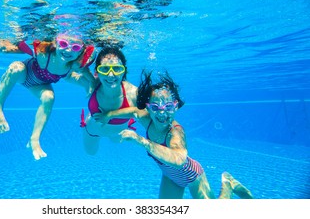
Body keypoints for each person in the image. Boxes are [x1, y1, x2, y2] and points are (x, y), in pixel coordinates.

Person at [93, 70, 253, 199]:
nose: (162, 113)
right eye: (156, 107)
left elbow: (179, 159)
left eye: (168, 107)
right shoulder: (146, 119)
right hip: (169, 176)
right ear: (148, 108)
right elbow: (133, 111)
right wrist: (109, 115)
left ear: (176, 107)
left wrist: (141, 141)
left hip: (192, 176)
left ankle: (228, 183)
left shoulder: (175, 132)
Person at [0, 33, 96, 160]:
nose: (68, 50)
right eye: (63, 44)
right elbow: (22, 47)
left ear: (80, 51)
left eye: (75, 48)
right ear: (55, 43)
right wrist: (6, 47)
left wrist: (91, 83)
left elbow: (85, 72)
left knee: (49, 97)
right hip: (26, 74)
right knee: (15, 67)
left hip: (41, 85)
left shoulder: (75, 64)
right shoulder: (44, 55)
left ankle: (34, 139)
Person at [80, 46, 138, 155]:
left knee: (116, 141)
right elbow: (66, 73)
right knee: (91, 152)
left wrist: (110, 114)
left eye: (117, 69)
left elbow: (146, 113)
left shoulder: (133, 93)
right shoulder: (91, 85)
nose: (111, 75)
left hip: (118, 132)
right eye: (104, 69)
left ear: (123, 71)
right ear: (97, 72)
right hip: (93, 131)